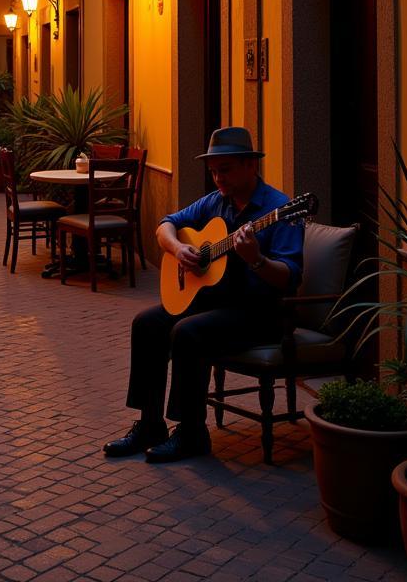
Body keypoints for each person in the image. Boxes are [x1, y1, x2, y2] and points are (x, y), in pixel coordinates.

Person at [103, 127, 304, 463]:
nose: (217, 178)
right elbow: (165, 225)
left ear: (250, 166)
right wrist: (180, 249)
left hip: (262, 313)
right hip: (216, 303)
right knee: (147, 323)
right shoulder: (216, 202)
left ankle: (192, 432)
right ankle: (150, 424)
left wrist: (256, 259)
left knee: (188, 331)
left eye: (224, 170)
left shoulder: (280, 210)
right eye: (213, 171)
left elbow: (289, 278)